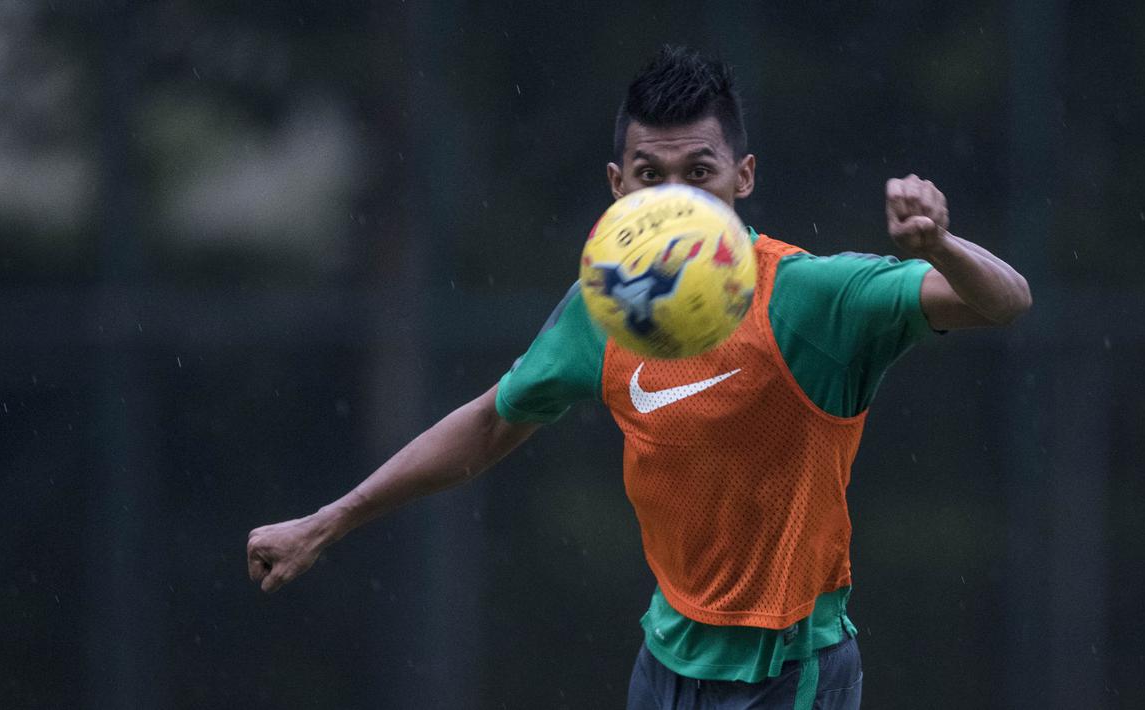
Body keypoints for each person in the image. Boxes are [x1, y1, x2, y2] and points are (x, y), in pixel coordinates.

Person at [246, 45, 1031, 709]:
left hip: (787, 671)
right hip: (664, 663)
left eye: (699, 171)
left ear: (743, 177)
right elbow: (487, 424)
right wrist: (326, 522)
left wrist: (939, 245)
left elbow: (1003, 301)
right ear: (618, 185)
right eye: (650, 174)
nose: (675, 198)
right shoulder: (606, 309)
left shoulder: (808, 298)